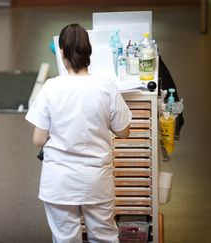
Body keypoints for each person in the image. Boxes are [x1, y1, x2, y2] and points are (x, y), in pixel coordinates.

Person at [25, 23, 132, 243]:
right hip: (96, 180)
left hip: (59, 181)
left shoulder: (51, 88)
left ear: (61, 52)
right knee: (104, 236)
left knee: (65, 237)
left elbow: (38, 140)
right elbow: (124, 131)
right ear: (88, 53)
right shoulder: (106, 87)